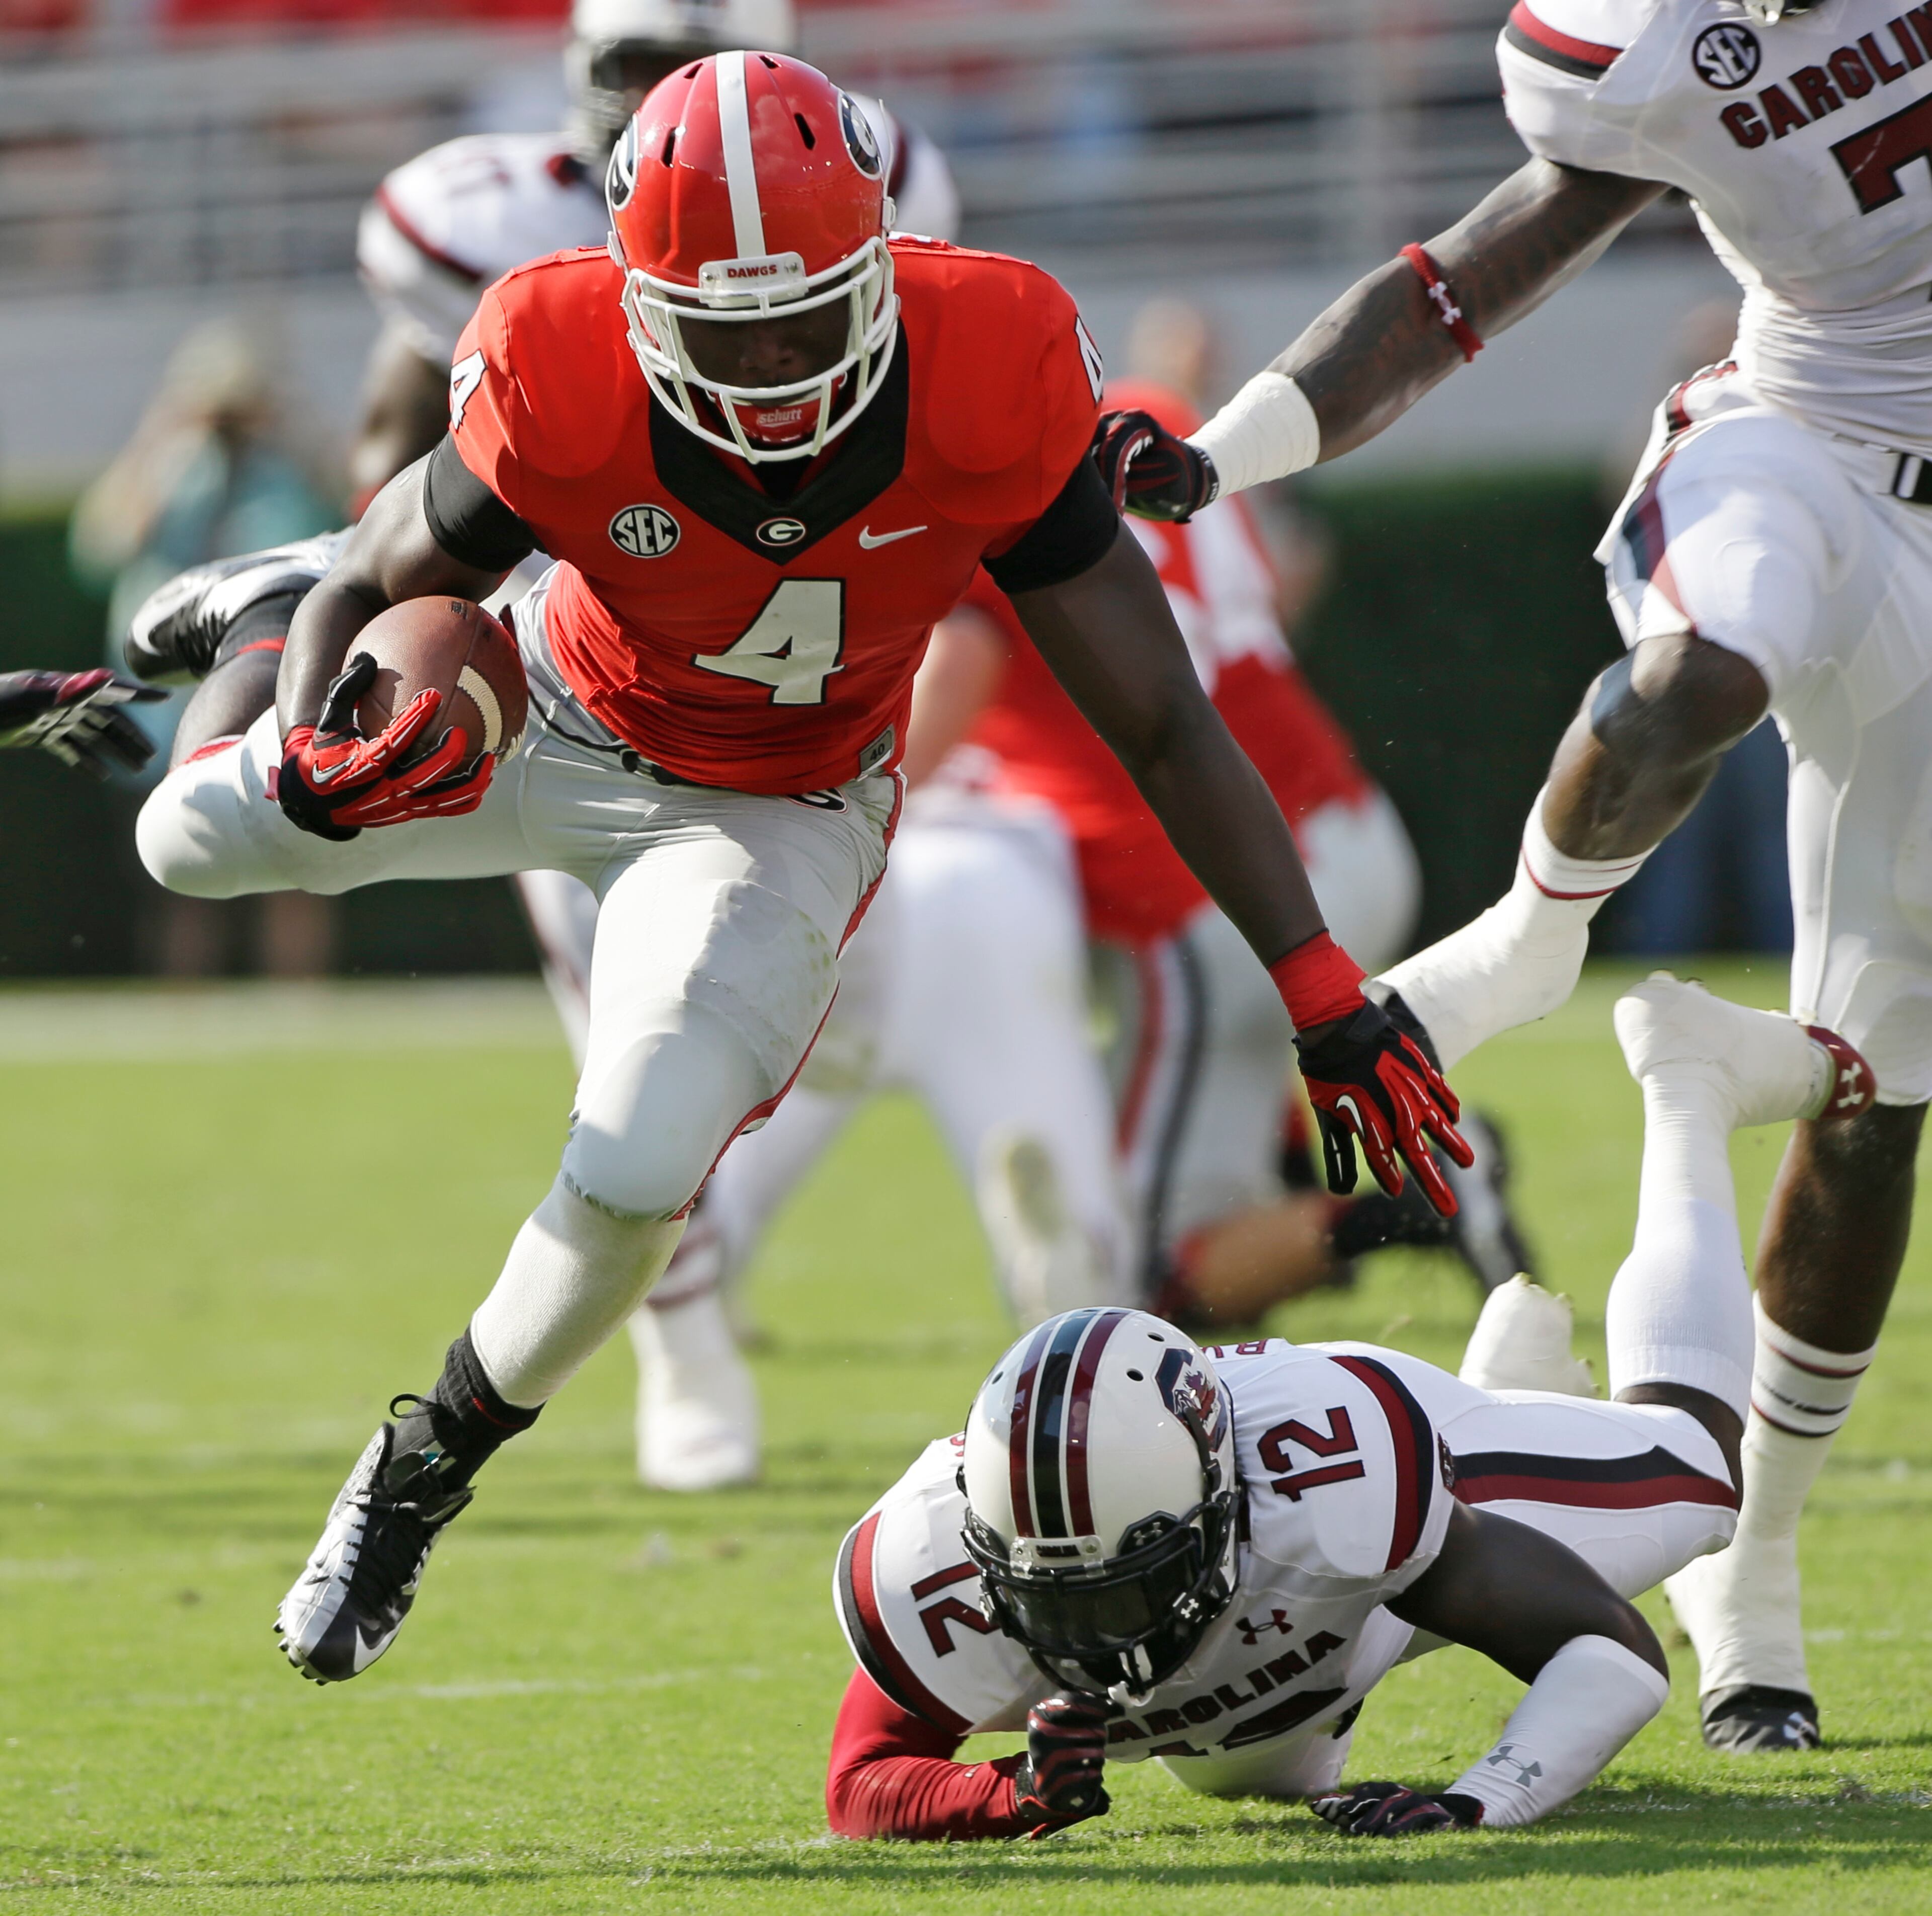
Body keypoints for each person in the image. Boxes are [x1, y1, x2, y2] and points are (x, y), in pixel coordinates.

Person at [132, 52, 1467, 1684]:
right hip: (548, 701)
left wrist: (1324, 989)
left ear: (883, 270)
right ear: (639, 302)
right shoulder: (555, 344)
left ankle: (418, 1470)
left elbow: (1166, 720)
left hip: (769, 806)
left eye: (803, 316)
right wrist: (325, 721)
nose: (766, 367)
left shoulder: (993, 354)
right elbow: (382, 570)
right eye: (721, 327)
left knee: (634, 1177)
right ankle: (207, 657)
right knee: (185, 838)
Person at [1092, 0, 1924, 1757]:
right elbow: (1463, 281)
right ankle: (1533, 944)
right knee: (1705, 661)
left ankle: (1751, 1565)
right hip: (1805, 436)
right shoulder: (1627, 38)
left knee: (1878, 1097)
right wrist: (1222, 453)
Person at [825, 975, 1874, 1840]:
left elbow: (1610, 1649)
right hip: (1264, 1699)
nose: (1102, 1640)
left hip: (1395, 1525)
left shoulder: (1340, 1481)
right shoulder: (928, 1566)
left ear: (1221, 1491)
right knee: (1262, 1776)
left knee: (1699, 1477)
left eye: (1124, 1587)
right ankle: (1519, 1384)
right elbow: (861, 1783)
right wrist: (1006, 1795)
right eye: (1061, 1601)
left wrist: (1478, 1799)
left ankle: (1689, 1082)